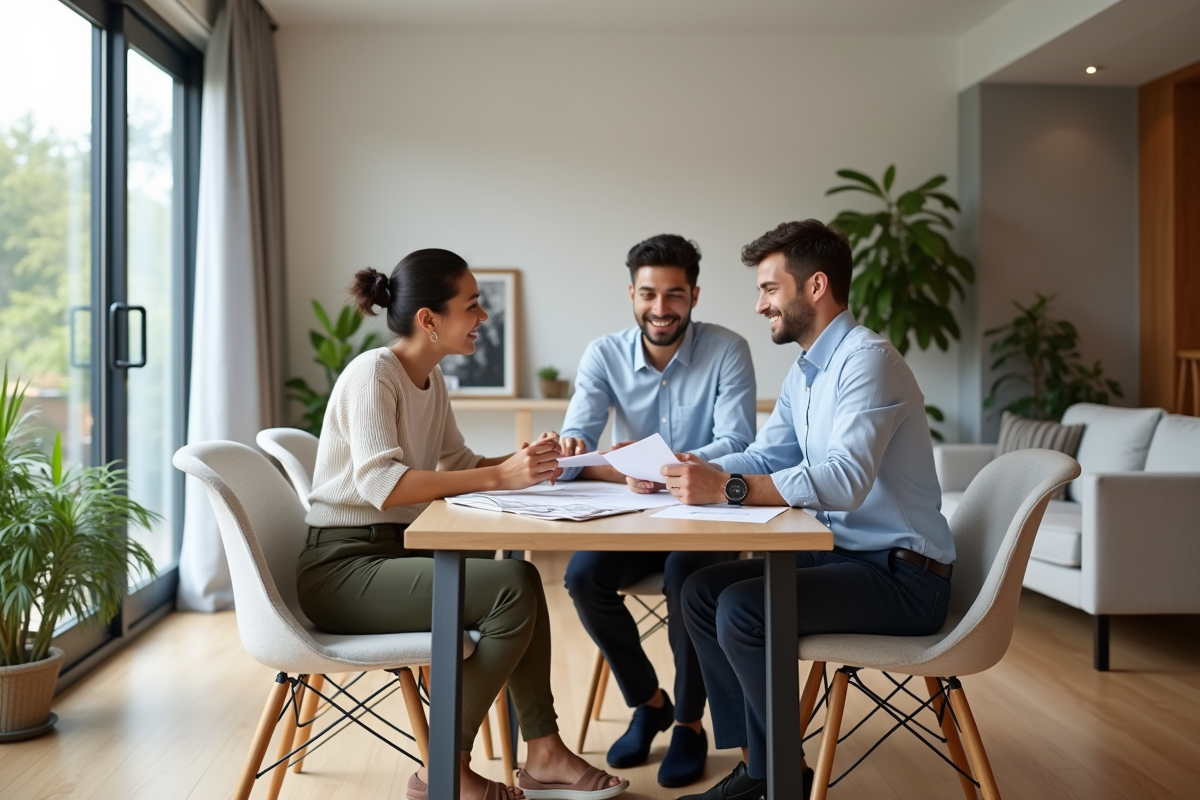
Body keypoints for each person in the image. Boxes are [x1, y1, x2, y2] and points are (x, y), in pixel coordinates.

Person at [299, 249, 628, 800]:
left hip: (394, 554)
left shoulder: (431, 381)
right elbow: (386, 486)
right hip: (343, 569)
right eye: (471, 306)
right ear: (429, 320)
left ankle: (543, 751)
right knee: (512, 591)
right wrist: (500, 478)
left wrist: (525, 465)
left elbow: (456, 465)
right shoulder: (374, 374)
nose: (483, 318)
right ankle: (442, 771)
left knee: (518, 575)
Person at [659, 220, 956, 800]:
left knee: (744, 609)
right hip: (846, 556)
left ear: (815, 286)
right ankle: (763, 768)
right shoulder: (807, 368)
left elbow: (843, 481)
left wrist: (727, 489)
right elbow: (764, 453)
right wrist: (689, 465)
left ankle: (776, 782)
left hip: (906, 578)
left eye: (770, 289)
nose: (759, 304)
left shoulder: (868, 361)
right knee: (699, 589)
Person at [549, 234, 757, 788]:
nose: (660, 309)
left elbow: (739, 440)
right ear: (631, 293)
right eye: (648, 295)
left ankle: (690, 723)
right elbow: (579, 434)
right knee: (582, 575)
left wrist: (679, 464)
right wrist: (573, 448)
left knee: (684, 576)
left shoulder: (729, 348)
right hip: (637, 515)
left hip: (707, 513)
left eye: (674, 295)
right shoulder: (603, 353)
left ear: (694, 294)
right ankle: (649, 701)